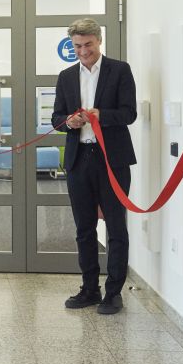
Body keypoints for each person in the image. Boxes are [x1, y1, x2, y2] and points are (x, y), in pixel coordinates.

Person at [51, 18, 137, 315]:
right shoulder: (66, 76)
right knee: (84, 228)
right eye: (77, 46)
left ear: (99, 41)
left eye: (88, 44)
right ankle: (89, 288)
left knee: (116, 227)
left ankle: (113, 292)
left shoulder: (120, 70)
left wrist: (102, 115)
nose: (83, 51)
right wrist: (68, 122)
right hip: (79, 159)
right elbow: (56, 118)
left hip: (112, 159)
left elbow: (129, 113)